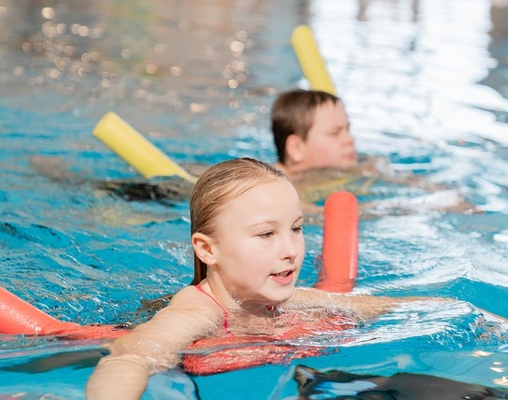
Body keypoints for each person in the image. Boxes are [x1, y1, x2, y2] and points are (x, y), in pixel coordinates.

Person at [84, 158, 449, 399]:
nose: (290, 249)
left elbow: (383, 308)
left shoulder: (291, 301)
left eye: (296, 228)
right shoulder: (196, 313)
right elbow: (128, 360)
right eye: (266, 234)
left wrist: (486, 320)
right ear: (207, 249)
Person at [270, 89, 477, 215]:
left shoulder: (363, 166)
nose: (350, 139)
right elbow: (320, 216)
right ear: (297, 149)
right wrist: (416, 207)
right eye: (335, 133)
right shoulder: (279, 187)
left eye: (348, 129)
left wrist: (445, 194)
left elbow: (407, 179)